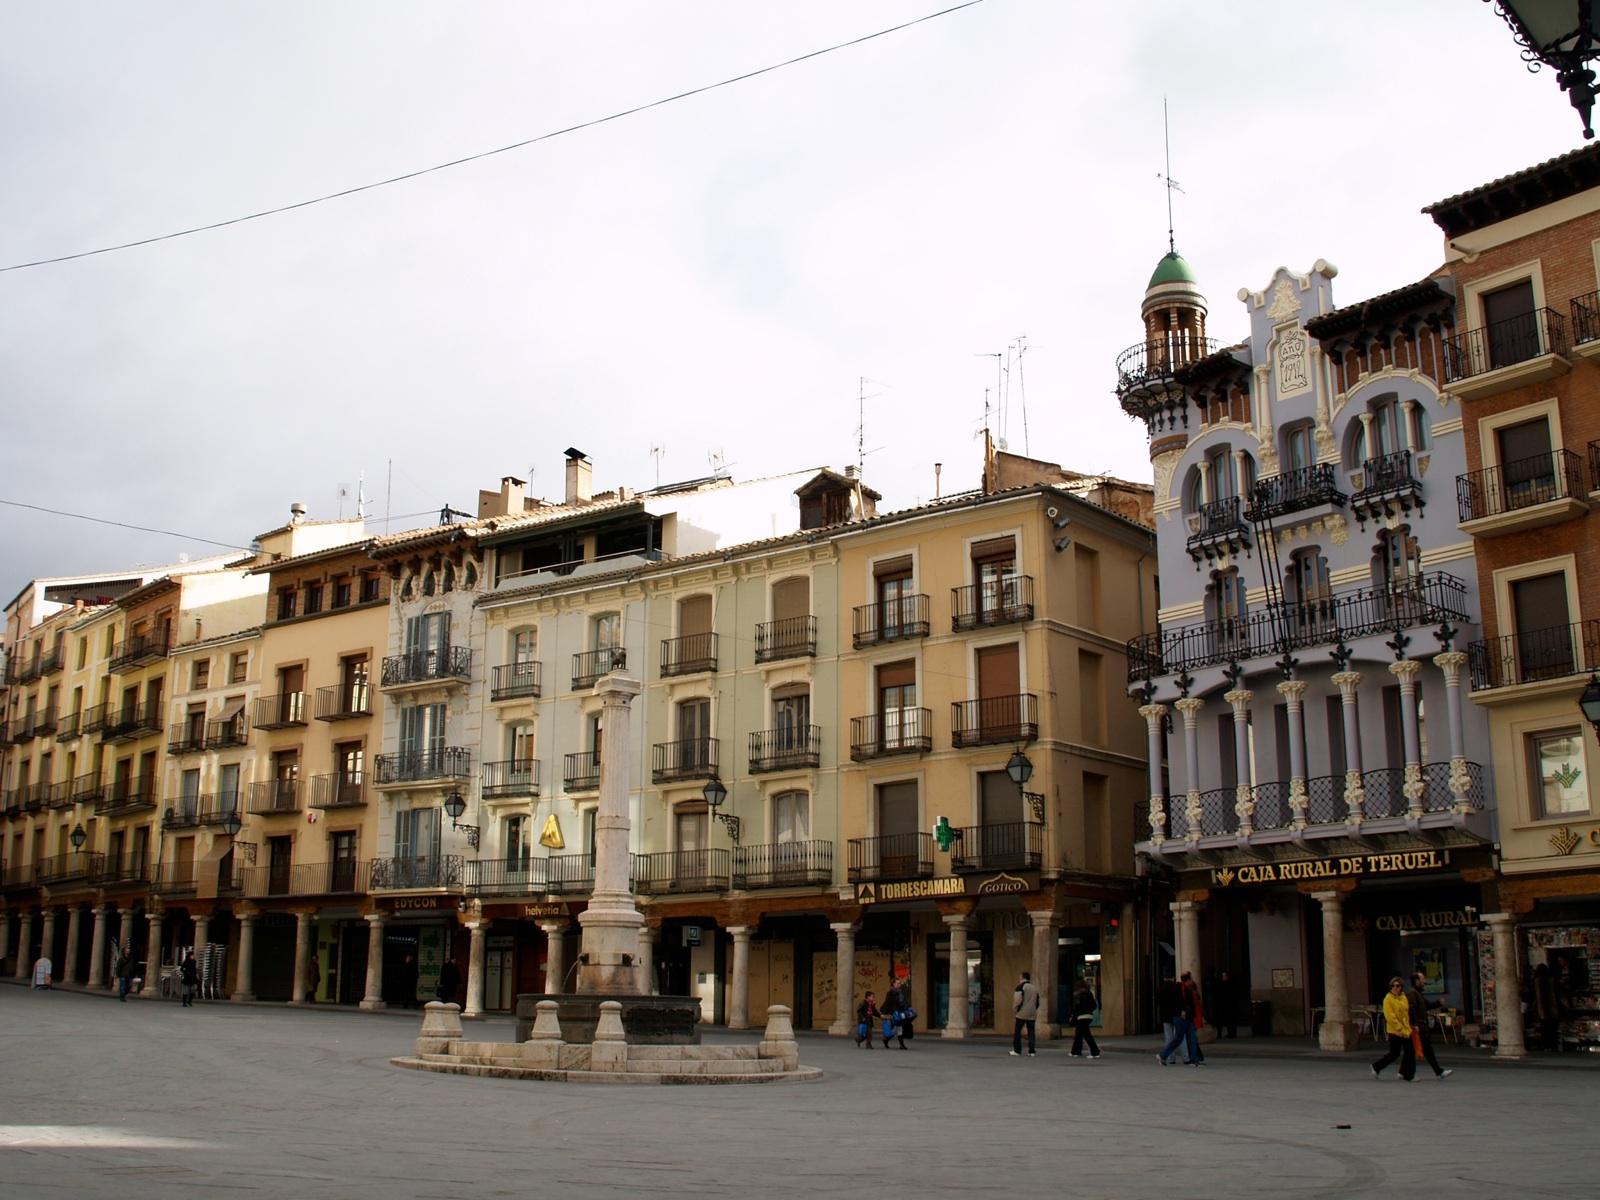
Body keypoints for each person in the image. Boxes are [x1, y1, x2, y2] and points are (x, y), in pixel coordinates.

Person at [1406, 971, 1452, 1079]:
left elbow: (1426, 1006)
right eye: (1422, 979)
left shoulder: (1418, 993)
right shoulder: (1412, 993)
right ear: (1417, 981)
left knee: (1422, 1050)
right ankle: (1438, 1072)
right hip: (1418, 1026)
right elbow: (1411, 1009)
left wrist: (1438, 1003)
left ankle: (1437, 1071)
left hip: (1421, 1025)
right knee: (1423, 1049)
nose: (1424, 981)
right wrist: (1414, 1023)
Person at [1370, 977, 1416, 1080]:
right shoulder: (1388, 999)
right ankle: (1407, 1075)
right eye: (1393, 986)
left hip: (1405, 1029)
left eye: (1398, 986)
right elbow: (1390, 1017)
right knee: (1395, 1054)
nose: (1395, 988)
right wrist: (1400, 1029)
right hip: (1395, 1031)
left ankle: (1402, 1072)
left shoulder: (1403, 997)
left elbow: (1406, 1014)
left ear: (1401, 987)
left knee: (1409, 1052)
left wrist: (1409, 1027)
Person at [1157, 972, 1201, 1066]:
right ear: (1187, 980)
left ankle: (1192, 1059)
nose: (1192, 981)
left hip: (1179, 1017)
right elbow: (1178, 1002)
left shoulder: (1185, 989)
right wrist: (1180, 1011)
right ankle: (1164, 1055)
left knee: (1189, 1038)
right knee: (1179, 1039)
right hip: (1181, 1017)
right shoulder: (1179, 989)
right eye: (1191, 979)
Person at [1069, 980, 1101, 1059]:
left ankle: (1095, 1052)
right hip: (1089, 1016)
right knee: (1079, 1034)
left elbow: (1076, 1007)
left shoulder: (1078, 995)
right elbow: (1094, 1005)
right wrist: (1088, 1010)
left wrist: (1073, 1016)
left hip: (1081, 1016)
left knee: (1086, 1035)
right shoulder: (1089, 994)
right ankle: (1075, 1051)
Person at [1011, 971, 1040, 1057]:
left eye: (1020, 976)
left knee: (1017, 1031)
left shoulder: (1020, 987)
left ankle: (1017, 1050)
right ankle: (1032, 1051)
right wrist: (1034, 1009)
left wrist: (1015, 1009)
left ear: (1022, 977)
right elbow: (1038, 1001)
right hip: (1032, 1012)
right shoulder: (1034, 987)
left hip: (1022, 1012)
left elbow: (1017, 1000)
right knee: (1031, 1031)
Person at [1532, 963, 1559, 1051]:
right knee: (1553, 1028)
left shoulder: (1536, 982)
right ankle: (1553, 1045)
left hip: (1541, 1009)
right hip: (1552, 1008)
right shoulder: (1552, 981)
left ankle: (1545, 1045)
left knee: (1544, 1028)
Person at [1155, 972, 1182, 1049]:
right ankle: (1186, 1057)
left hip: (1165, 1015)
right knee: (1180, 1037)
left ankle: (1170, 1058)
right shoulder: (1176, 988)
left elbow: (1157, 1002)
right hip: (1176, 1014)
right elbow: (1180, 1001)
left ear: (1164, 979)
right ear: (1173, 978)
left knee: (1168, 1037)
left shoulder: (1160, 989)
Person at [1212, 970, 1239, 1039]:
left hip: (1230, 1005)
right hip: (1221, 1005)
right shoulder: (1219, 984)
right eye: (1223, 976)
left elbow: (1233, 995)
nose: (1224, 977)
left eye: (1225, 976)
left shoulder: (1231, 984)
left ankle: (1232, 1033)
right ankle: (1220, 1034)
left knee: (1231, 1020)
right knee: (1220, 1021)